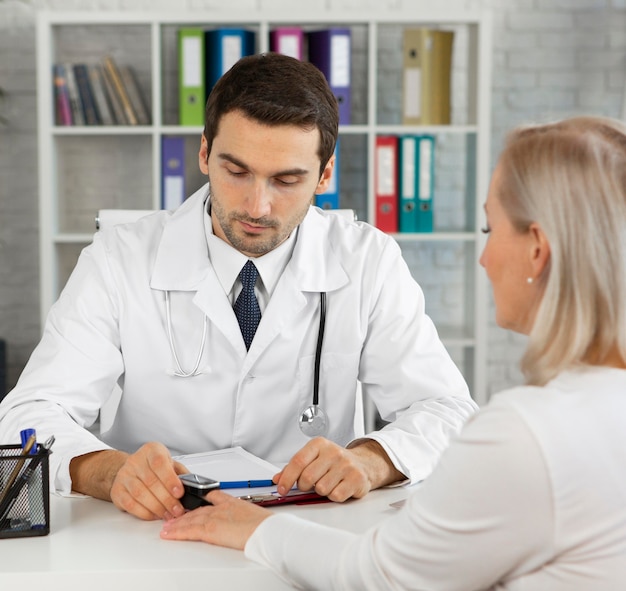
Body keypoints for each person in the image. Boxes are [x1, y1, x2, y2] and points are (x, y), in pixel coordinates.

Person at [0, 53, 475, 522]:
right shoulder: (117, 259)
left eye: (287, 180)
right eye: (237, 171)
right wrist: (106, 470)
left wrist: (373, 460)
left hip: (307, 528)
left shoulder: (368, 260)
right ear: (204, 154)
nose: (258, 206)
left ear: (324, 175)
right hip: (152, 530)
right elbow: (29, 412)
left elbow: (448, 410)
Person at [159, 115, 626, 590]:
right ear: (205, 156)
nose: (483, 258)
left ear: (537, 251)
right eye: (238, 172)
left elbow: (380, 577)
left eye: (489, 229)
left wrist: (269, 518)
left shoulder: (527, 434)